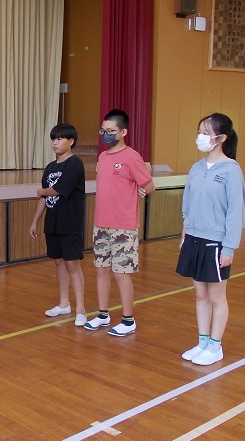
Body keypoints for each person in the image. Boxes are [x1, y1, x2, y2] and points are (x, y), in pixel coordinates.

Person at [176, 112, 245, 366]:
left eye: (206, 132)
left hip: (215, 243)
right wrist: (185, 235)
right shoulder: (197, 168)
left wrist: (229, 247)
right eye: (200, 132)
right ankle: (203, 342)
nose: (201, 137)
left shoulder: (231, 171)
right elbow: (188, 205)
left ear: (221, 138)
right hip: (194, 238)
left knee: (217, 297)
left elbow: (235, 212)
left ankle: (216, 346)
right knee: (200, 294)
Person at [84, 109, 154, 336]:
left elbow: (148, 185)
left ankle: (128, 319)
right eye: (103, 130)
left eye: (111, 131)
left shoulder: (131, 157)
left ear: (123, 132)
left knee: (121, 273)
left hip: (123, 225)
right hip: (101, 223)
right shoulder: (103, 157)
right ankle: (103, 314)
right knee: (101, 270)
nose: (106, 135)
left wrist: (143, 190)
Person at [30, 123, 87, 327]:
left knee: (72, 264)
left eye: (60, 138)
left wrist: (41, 191)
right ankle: (64, 303)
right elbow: (45, 197)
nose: (55, 142)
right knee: (59, 262)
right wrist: (35, 220)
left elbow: (56, 190)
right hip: (52, 223)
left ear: (71, 141)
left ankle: (81, 309)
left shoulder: (75, 164)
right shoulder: (50, 167)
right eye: (53, 138)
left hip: (70, 222)